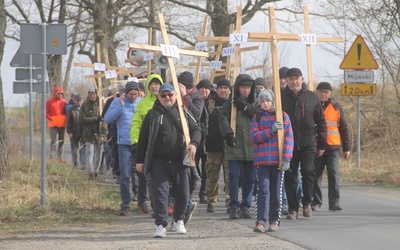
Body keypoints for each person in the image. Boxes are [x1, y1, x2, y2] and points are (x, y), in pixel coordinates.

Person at [135, 83, 201, 238]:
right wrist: (139, 160)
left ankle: (179, 220)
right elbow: (143, 138)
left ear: (175, 95)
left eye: (170, 94)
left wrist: (194, 144)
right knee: (160, 193)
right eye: (163, 95)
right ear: (159, 97)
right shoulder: (152, 114)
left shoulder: (183, 112)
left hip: (180, 160)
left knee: (183, 192)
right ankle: (161, 224)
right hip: (159, 161)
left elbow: (196, 129)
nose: (167, 98)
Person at [281, 68, 327, 220]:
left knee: (308, 171)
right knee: (290, 175)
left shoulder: (312, 97)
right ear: (286, 80)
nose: (294, 82)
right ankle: (293, 208)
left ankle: (307, 202)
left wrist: (321, 145)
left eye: (297, 78)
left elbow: (321, 122)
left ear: (302, 79)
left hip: (309, 142)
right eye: (291, 79)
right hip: (288, 143)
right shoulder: (281, 97)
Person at [250, 89, 294, 233]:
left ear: (273, 102)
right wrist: (271, 130)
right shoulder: (256, 117)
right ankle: (260, 221)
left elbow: (288, 138)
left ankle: (274, 221)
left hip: (277, 162)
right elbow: (254, 137)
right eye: (262, 101)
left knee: (276, 192)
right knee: (263, 191)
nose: (265, 103)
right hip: (262, 161)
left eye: (267, 101)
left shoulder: (282, 116)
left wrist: (286, 158)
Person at [219, 74, 258, 219]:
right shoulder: (230, 104)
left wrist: (246, 107)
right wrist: (228, 134)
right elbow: (222, 119)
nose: (246, 90)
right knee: (234, 176)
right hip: (235, 144)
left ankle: (245, 206)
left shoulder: (255, 102)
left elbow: (259, 116)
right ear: (238, 88)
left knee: (250, 178)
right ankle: (233, 205)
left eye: (248, 87)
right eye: (243, 87)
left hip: (251, 145)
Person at [312, 82, 351, 211]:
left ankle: (334, 203)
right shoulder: (312, 105)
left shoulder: (336, 107)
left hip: (333, 146)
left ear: (330, 93)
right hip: (316, 146)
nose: (324, 94)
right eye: (321, 91)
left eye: (326, 92)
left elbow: (343, 128)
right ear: (316, 92)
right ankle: (316, 202)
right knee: (316, 175)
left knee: (333, 174)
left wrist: (347, 148)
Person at [105, 82, 142, 216]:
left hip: (139, 143)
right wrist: (120, 107)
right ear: (125, 93)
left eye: (135, 94)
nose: (133, 97)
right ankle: (125, 204)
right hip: (124, 143)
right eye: (131, 94)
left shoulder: (140, 102)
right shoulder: (116, 102)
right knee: (125, 175)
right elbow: (107, 119)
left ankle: (141, 201)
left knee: (140, 173)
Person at [130, 73, 164, 214]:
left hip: (162, 146)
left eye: (157, 84)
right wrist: (135, 142)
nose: (155, 86)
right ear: (149, 86)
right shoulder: (142, 103)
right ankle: (143, 201)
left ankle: (160, 204)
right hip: (146, 145)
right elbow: (136, 123)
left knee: (160, 178)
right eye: (152, 84)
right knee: (144, 176)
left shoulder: (166, 100)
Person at [178, 71, 204, 223]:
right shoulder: (173, 94)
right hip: (177, 138)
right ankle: (184, 204)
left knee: (190, 175)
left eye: (186, 87)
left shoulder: (197, 97)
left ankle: (186, 203)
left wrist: (185, 97)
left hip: (192, 139)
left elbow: (197, 115)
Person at [204, 79, 231, 213]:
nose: (223, 90)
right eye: (221, 87)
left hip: (230, 146)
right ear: (217, 89)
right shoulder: (209, 103)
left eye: (226, 88)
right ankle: (211, 201)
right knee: (212, 175)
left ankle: (230, 200)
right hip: (213, 146)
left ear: (230, 90)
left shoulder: (234, 104)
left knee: (230, 176)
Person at [79, 86, 107, 180]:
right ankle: (90, 171)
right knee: (90, 152)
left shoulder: (101, 104)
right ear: (88, 95)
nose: (92, 96)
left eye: (94, 94)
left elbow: (105, 118)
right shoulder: (84, 105)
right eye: (91, 94)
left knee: (99, 153)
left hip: (99, 133)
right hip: (89, 132)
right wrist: (95, 119)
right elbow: (82, 119)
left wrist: (104, 129)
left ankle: (96, 171)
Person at [195, 79, 213, 205]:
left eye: (207, 89)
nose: (204, 91)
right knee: (194, 169)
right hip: (196, 138)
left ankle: (204, 193)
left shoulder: (212, 103)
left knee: (207, 169)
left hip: (208, 139)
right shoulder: (195, 101)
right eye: (202, 88)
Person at [46, 86, 67, 162]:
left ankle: (60, 157)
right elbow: (46, 113)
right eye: (58, 93)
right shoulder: (49, 101)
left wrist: (65, 119)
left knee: (61, 140)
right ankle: (52, 157)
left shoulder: (64, 102)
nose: (60, 95)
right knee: (53, 140)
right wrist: (52, 118)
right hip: (53, 124)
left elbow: (67, 112)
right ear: (55, 93)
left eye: (61, 93)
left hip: (62, 124)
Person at [66, 94, 85, 169]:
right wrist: (69, 132)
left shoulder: (84, 108)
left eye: (81, 100)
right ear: (75, 101)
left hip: (83, 132)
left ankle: (83, 163)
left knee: (83, 148)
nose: (79, 102)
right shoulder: (71, 109)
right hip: (74, 132)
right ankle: (75, 163)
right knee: (74, 148)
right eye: (78, 100)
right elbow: (68, 122)